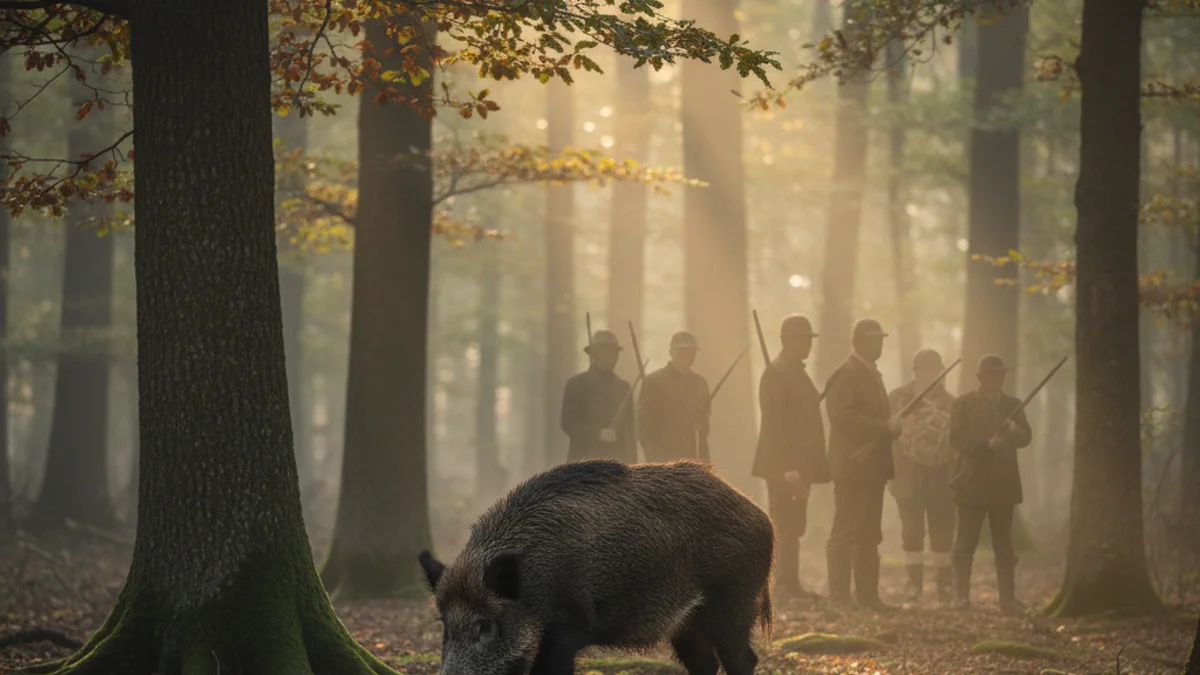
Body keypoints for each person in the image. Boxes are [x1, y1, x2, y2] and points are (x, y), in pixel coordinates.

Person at [824, 318, 902, 612]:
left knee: (870, 533)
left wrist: (890, 428)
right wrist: (885, 426)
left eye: (881, 339)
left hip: (873, 468)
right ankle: (840, 598)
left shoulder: (871, 374)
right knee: (845, 531)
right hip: (852, 468)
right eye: (873, 339)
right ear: (859, 342)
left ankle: (869, 597)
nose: (879, 344)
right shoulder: (846, 375)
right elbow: (843, 418)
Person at [751, 315, 830, 601]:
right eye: (803, 338)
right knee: (783, 524)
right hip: (785, 467)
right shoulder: (777, 373)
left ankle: (791, 583)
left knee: (795, 525)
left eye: (809, 338)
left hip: (799, 465)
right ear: (788, 340)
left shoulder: (795, 372)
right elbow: (775, 424)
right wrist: (788, 468)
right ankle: (780, 586)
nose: (808, 344)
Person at [947, 354, 1033, 613]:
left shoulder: (1013, 405)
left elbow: (1026, 437)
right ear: (981, 378)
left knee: (1004, 544)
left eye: (1001, 374)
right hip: (972, 482)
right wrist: (986, 444)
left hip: (1003, 483)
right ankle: (960, 597)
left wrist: (1013, 431)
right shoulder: (963, 404)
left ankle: (1007, 599)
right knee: (965, 543)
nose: (997, 379)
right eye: (992, 375)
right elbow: (957, 439)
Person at [888, 348, 957, 604]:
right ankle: (914, 584)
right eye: (925, 369)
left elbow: (959, 440)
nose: (931, 375)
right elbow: (886, 434)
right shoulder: (897, 399)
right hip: (907, 476)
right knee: (912, 531)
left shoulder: (952, 403)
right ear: (916, 371)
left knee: (942, 532)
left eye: (935, 370)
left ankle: (944, 585)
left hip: (941, 476)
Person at [560, 330, 637, 464]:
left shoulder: (624, 387)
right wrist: (598, 434)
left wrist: (633, 467)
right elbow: (568, 423)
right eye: (606, 351)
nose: (612, 356)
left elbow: (630, 431)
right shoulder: (576, 384)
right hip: (583, 464)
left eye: (614, 352)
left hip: (617, 466)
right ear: (594, 355)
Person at [637, 331, 710, 462]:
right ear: (671, 352)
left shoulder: (701, 383)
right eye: (681, 351)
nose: (686, 355)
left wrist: (702, 424)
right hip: (664, 459)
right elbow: (643, 427)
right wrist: (654, 461)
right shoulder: (654, 382)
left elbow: (705, 427)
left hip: (695, 459)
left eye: (691, 352)